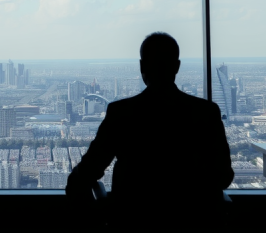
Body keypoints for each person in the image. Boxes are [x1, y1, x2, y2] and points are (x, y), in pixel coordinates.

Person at [66, 32, 233, 228]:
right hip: (194, 222)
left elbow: (87, 171)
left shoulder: (121, 112)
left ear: (142, 66)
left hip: (133, 220)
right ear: (177, 67)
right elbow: (224, 176)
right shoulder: (205, 113)